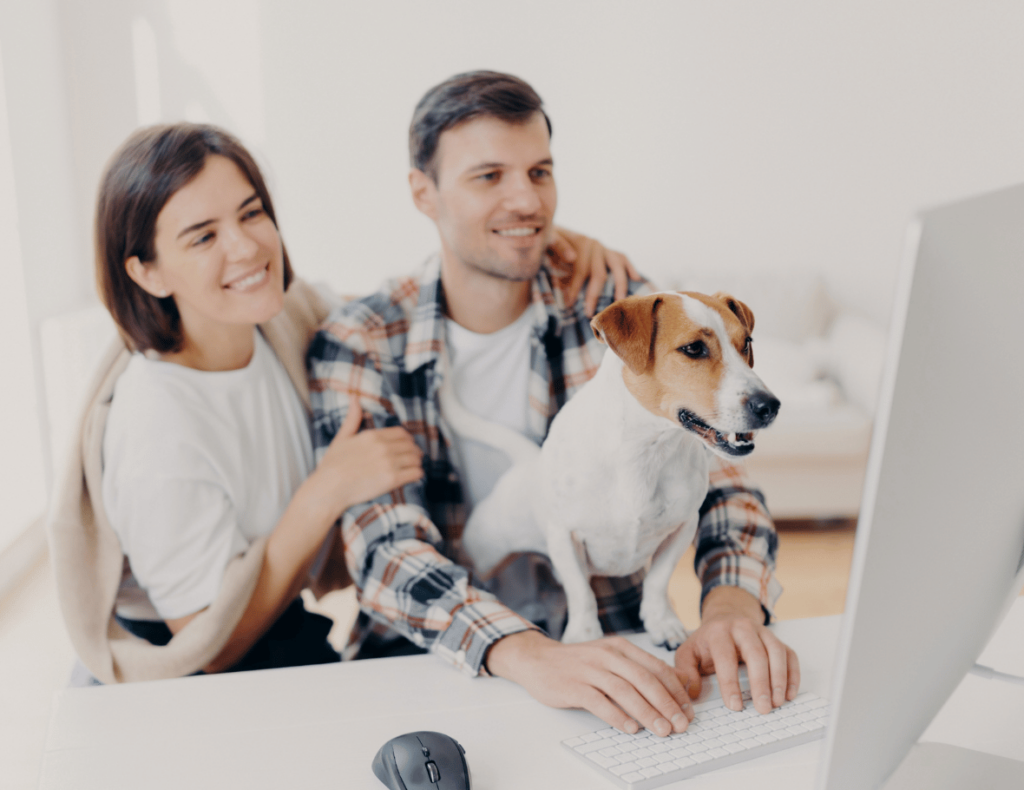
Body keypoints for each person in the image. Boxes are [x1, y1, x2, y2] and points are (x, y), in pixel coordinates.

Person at [308, 71, 800, 738]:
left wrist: (730, 607)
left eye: (540, 171)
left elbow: (719, 473)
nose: (527, 200)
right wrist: (528, 653)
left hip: (618, 655)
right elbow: (385, 551)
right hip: (431, 662)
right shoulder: (361, 343)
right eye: (489, 176)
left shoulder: (615, 295)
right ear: (423, 193)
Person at [47, 122, 626, 683]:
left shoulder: (284, 318)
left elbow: (398, 309)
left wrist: (544, 245)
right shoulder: (158, 426)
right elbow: (206, 644)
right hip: (191, 660)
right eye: (203, 236)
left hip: (279, 618)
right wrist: (325, 492)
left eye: (252, 213)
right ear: (146, 272)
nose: (246, 246)